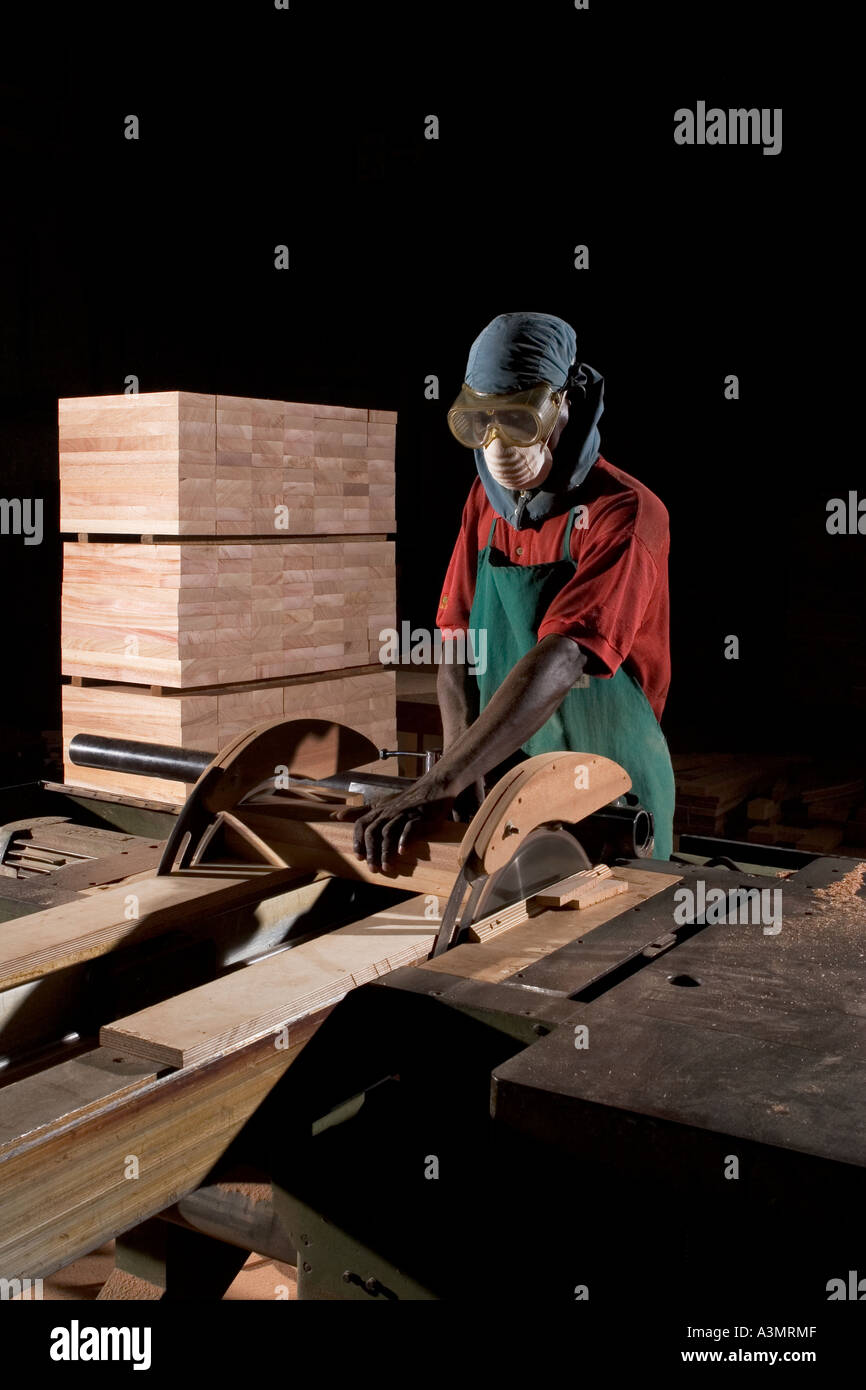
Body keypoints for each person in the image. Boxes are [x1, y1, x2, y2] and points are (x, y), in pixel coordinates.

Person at [351, 310, 675, 870]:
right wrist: (460, 768)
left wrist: (443, 779)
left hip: (612, 781)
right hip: (508, 766)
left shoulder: (624, 513)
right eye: (482, 421)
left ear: (564, 404)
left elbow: (566, 654)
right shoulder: (484, 504)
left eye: (519, 419)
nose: (498, 443)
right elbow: (456, 645)